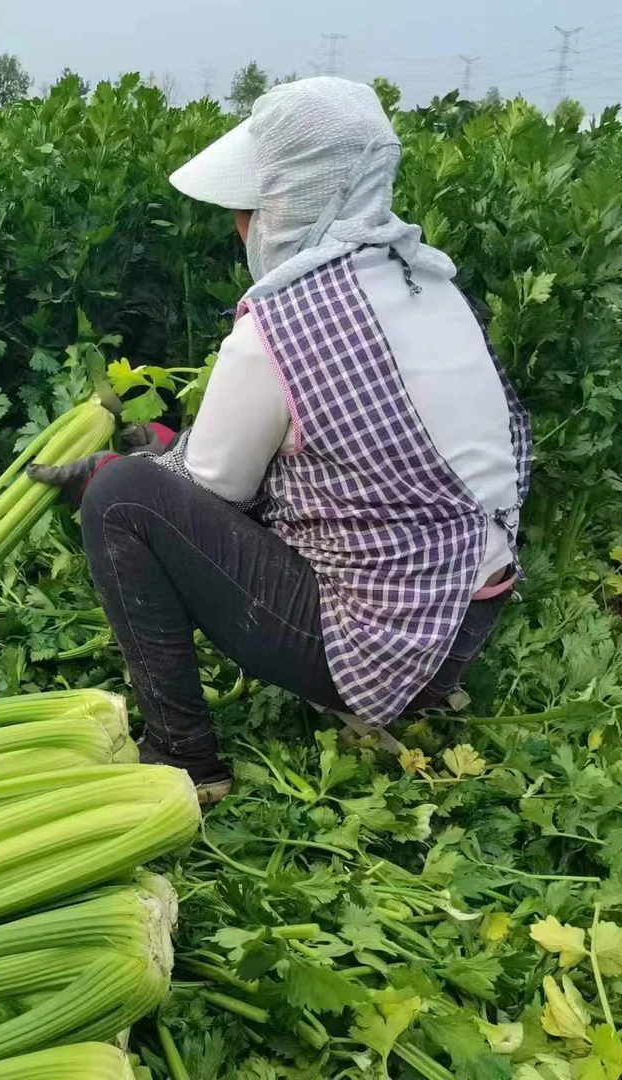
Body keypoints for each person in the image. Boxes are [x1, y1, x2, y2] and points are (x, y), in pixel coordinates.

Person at [28, 77, 531, 805]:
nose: (241, 228)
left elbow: (210, 496)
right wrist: (166, 439)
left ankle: (183, 756)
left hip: (382, 653)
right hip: (465, 619)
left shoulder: (279, 328)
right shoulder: (430, 283)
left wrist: (118, 465)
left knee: (120, 499)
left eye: (248, 209)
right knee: (166, 476)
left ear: (292, 205)